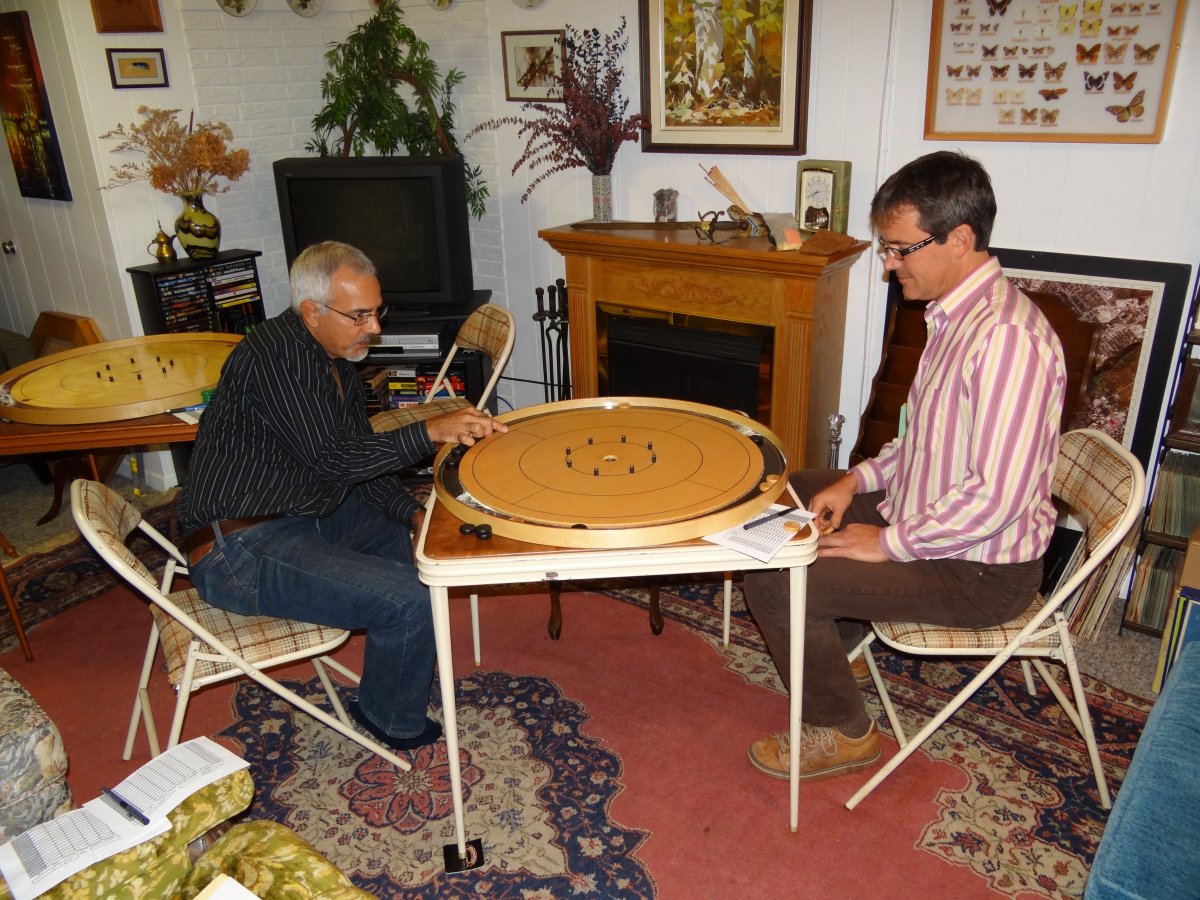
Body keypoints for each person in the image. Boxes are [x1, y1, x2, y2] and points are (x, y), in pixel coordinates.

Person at [743, 151, 1068, 781]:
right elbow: (921, 444)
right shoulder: (954, 316)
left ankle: (845, 732)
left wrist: (888, 545)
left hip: (978, 570)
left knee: (782, 578)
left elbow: (995, 498)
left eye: (899, 249)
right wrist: (852, 480)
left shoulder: (1006, 340)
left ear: (960, 239)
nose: (889, 266)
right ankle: (833, 647)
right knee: (783, 494)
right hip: (926, 517)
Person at [178, 240, 506, 751]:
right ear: (311, 311)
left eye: (377, 313)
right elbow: (336, 460)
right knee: (408, 597)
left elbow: (357, 458)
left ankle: (397, 669)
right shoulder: (277, 358)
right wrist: (430, 431)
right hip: (238, 548)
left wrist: (410, 511)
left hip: (301, 508)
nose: (374, 328)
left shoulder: (332, 359)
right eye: (359, 316)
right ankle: (387, 719)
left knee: (421, 545)